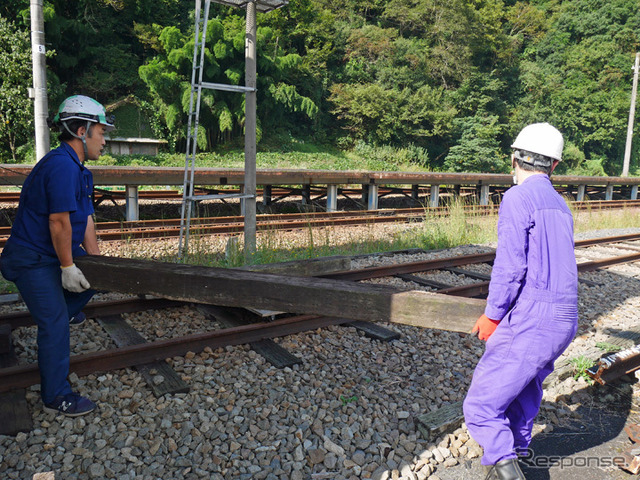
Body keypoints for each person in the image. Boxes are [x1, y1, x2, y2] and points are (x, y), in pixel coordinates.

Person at [462, 123, 578, 480]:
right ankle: (519, 452)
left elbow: (511, 266)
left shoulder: (518, 198)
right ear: (554, 166)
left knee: (481, 405)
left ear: (514, 159)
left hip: (535, 315)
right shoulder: (560, 204)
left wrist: (493, 315)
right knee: (525, 387)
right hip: (565, 317)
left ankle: (506, 468)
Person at [0, 95, 114, 417]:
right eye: (101, 132)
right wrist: (67, 266)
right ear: (81, 131)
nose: (104, 141)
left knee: (94, 277)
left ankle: (67, 308)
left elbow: (87, 218)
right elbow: (58, 221)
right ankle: (56, 396)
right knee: (54, 324)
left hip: (53, 254)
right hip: (32, 258)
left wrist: (99, 264)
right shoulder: (61, 166)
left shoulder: (80, 170)